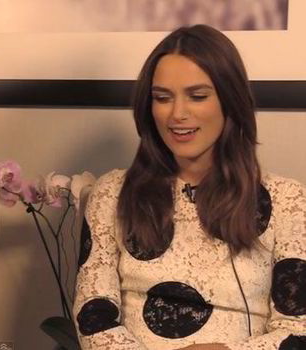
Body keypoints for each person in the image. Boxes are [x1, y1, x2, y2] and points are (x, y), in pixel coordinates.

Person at [73, 24, 306, 350]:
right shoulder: (112, 195)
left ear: (230, 101)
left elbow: (298, 330)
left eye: (197, 96)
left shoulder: (287, 201)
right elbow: (93, 316)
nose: (177, 114)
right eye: (162, 98)